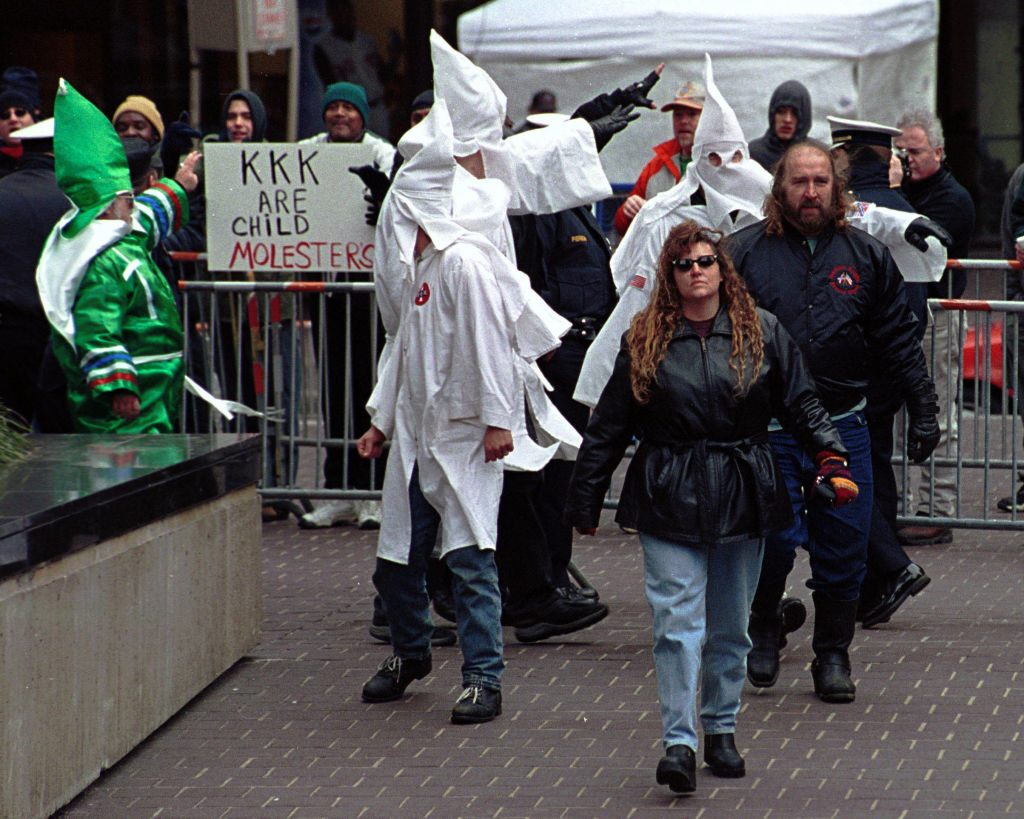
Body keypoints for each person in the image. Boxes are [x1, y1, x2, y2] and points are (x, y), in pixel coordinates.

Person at [566, 220, 855, 793]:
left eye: (705, 261)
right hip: (668, 488)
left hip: (744, 486)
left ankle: (721, 728)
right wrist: (584, 499)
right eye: (684, 264)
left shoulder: (762, 330)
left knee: (730, 627)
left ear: (723, 270)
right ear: (670, 275)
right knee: (676, 623)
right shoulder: (645, 336)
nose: (696, 272)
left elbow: (802, 403)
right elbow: (610, 424)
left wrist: (832, 458)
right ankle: (679, 742)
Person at [356, 99, 566, 724]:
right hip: (416, 439)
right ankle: (410, 652)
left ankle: (483, 678)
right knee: (397, 561)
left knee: (471, 559)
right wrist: (380, 421)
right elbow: (403, 353)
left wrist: (500, 421)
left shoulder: (465, 265)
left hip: (465, 438)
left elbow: (489, 346)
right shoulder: (419, 269)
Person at [727, 140, 940, 704]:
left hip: (844, 428)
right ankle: (763, 626)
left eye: (821, 181)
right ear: (780, 188)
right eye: (800, 181)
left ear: (837, 189)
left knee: (844, 545)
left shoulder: (866, 255)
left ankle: (833, 655)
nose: (811, 192)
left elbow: (898, 339)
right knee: (772, 544)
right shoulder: (742, 253)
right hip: (770, 432)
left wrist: (924, 408)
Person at [35, 79, 200, 433]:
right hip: (129, 404)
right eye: (128, 200)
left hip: (152, 390)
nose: (133, 207)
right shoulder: (102, 263)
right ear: (110, 207)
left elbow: (151, 213)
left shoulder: (124, 238)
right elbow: (97, 328)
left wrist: (180, 183)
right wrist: (118, 385)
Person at [828, 116, 932, 629]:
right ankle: (878, 581)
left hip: (855, 367)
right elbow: (917, 302)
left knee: (841, 471)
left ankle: (887, 568)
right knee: (876, 466)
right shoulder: (905, 213)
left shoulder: (847, 216)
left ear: (848, 159)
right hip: (893, 364)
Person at [298, 81, 394, 530]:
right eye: (332, 107)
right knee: (333, 390)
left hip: (370, 293)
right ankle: (337, 491)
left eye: (348, 108)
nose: (339, 114)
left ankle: (372, 492)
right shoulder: (306, 153)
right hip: (327, 290)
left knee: (369, 391)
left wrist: (384, 205)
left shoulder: (382, 154)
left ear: (362, 116)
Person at [894, 110, 976, 541]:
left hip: (937, 317)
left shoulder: (953, 198)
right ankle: (900, 506)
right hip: (901, 317)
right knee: (896, 417)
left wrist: (893, 195)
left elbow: (920, 242)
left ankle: (937, 511)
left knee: (937, 413)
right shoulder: (903, 191)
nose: (906, 159)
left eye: (915, 151)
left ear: (939, 153)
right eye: (900, 151)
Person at [0, 117, 68, 428]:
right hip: (58, 334)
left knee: (13, 429)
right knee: (59, 435)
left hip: (8, 330)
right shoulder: (75, 200)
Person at [613, 77, 702, 237]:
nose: (683, 121)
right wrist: (628, 211)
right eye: (678, 115)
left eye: (691, 114)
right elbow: (621, 226)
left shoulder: (718, 163)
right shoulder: (658, 163)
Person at [313, 0, 389, 137]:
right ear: (331, 15)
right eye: (339, 12)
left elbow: (383, 76)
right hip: (351, 112)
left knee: (382, 146)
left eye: (347, 11)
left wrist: (395, 58)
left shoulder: (367, 41)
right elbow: (330, 86)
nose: (344, 16)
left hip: (377, 107)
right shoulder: (324, 47)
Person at [748, 80, 812, 171]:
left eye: (795, 113)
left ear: (804, 118)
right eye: (781, 112)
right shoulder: (753, 154)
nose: (787, 119)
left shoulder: (817, 156)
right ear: (772, 114)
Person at [1, 85, 37, 179]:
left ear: (33, 119)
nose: (13, 119)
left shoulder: (51, 155)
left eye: (20, 112)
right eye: (5, 115)